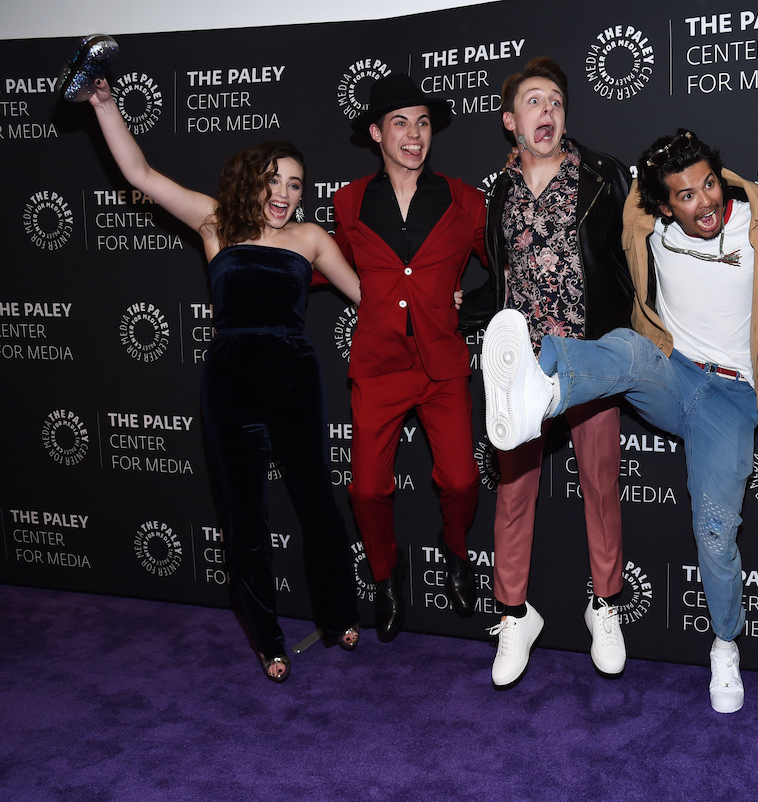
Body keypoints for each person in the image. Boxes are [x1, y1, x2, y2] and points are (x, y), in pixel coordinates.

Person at [481, 130, 758, 712]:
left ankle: (725, 644)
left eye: (709, 185)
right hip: (672, 372)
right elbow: (600, 177)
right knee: (627, 346)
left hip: (727, 399)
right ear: (660, 204)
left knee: (716, 530)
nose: (703, 203)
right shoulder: (643, 221)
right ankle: (539, 393)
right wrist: (527, 149)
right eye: (684, 195)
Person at [84, 78, 363, 683]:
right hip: (231, 383)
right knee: (243, 517)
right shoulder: (216, 223)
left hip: (294, 378)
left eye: (295, 184)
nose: (285, 194)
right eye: (275, 180)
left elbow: (368, 293)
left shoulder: (310, 239)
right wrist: (106, 105)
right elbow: (142, 175)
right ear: (253, 180)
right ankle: (269, 641)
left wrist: (432, 296)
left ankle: (340, 610)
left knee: (317, 505)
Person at [458, 57, 634, 687]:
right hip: (519, 366)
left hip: (589, 358)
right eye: (534, 102)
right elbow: (499, 278)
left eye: (556, 100)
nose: (547, 111)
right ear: (511, 121)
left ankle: (606, 606)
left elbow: (631, 260)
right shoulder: (497, 193)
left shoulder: (605, 176)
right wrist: (455, 307)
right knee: (513, 496)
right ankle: (514, 615)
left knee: (601, 487)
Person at [333, 75, 488, 640]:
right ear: (376, 132)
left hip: (442, 365)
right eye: (400, 122)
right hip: (377, 366)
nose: (414, 135)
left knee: (464, 480)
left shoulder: (464, 199)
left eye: (422, 123)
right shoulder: (348, 202)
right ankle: (385, 572)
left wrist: (463, 304)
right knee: (368, 490)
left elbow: (505, 271)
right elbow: (343, 266)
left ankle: (455, 551)